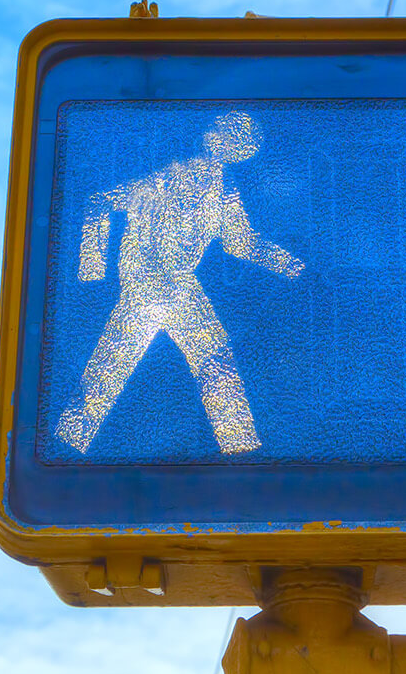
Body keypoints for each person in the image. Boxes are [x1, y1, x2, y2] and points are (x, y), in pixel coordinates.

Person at [56, 111, 302, 455]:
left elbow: (240, 242)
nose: (221, 138)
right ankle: (66, 446)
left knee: (214, 365)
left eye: (232, 137)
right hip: (146, 285)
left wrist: (291, 265)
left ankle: (242, 454)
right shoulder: (167, 175)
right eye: (221, 130)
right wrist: (92, 272)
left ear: (240, 150)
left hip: (180, 287)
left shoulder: (224, 190)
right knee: (108, 373)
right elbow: (100, 202)